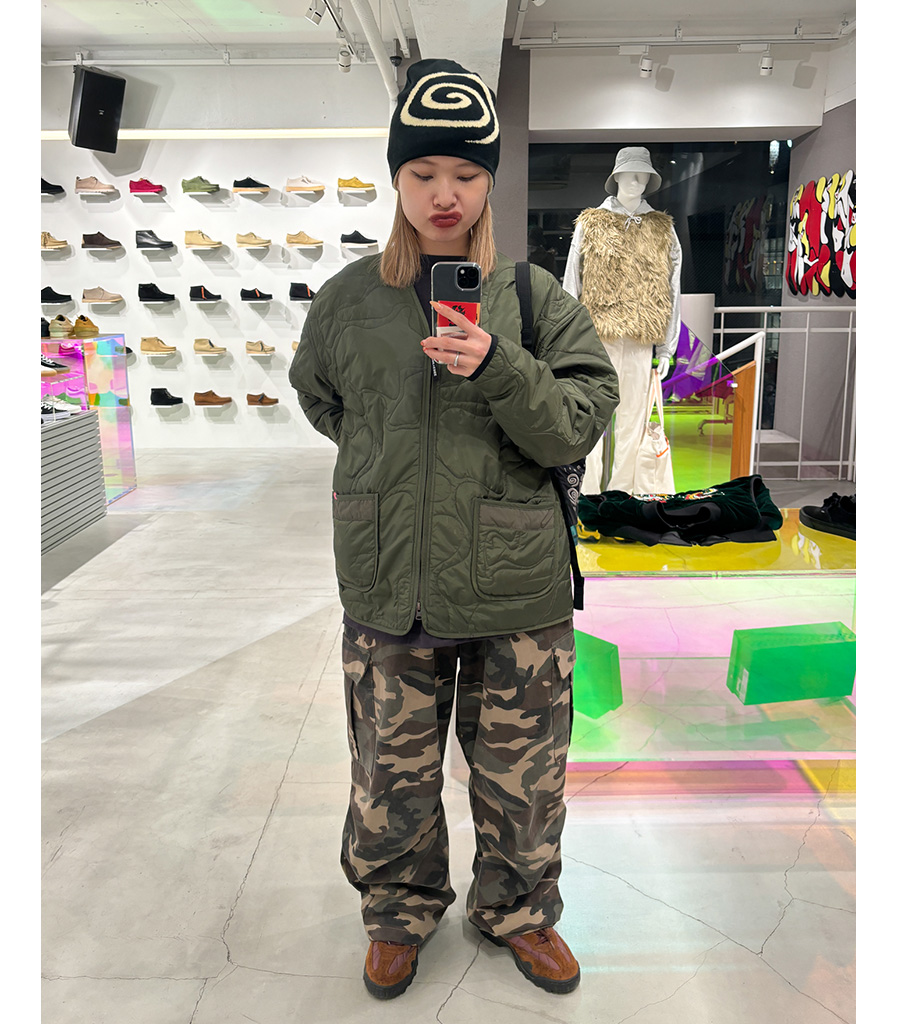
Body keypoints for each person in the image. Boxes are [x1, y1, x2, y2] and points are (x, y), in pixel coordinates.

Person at [288, 58, 619, 1000]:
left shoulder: (532, 296)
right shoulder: (350, 300)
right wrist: (384, 474)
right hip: (390, 581)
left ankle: (519, 911)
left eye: (467, 174)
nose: (445, 193)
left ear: (489, 182)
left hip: (516, 588)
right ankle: (398, 910)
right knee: (388, 775)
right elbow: (320, 398)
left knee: (524, 776)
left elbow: (580, 419)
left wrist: (498, 366)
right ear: (396, 177)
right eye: (424, 171)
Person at [562, 146, 683, 494]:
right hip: (598, 338)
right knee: (591, 417)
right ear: (616, 177)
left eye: (642, 175)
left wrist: (666, 347)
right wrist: (570, 340)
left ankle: (622, 494)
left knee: (633, 421)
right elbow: (572, 283)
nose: (636, 181)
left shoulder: (662, 229)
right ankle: (586, 493)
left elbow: (673, 289)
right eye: (630, 174)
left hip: (642, 339)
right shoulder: (592, 223)